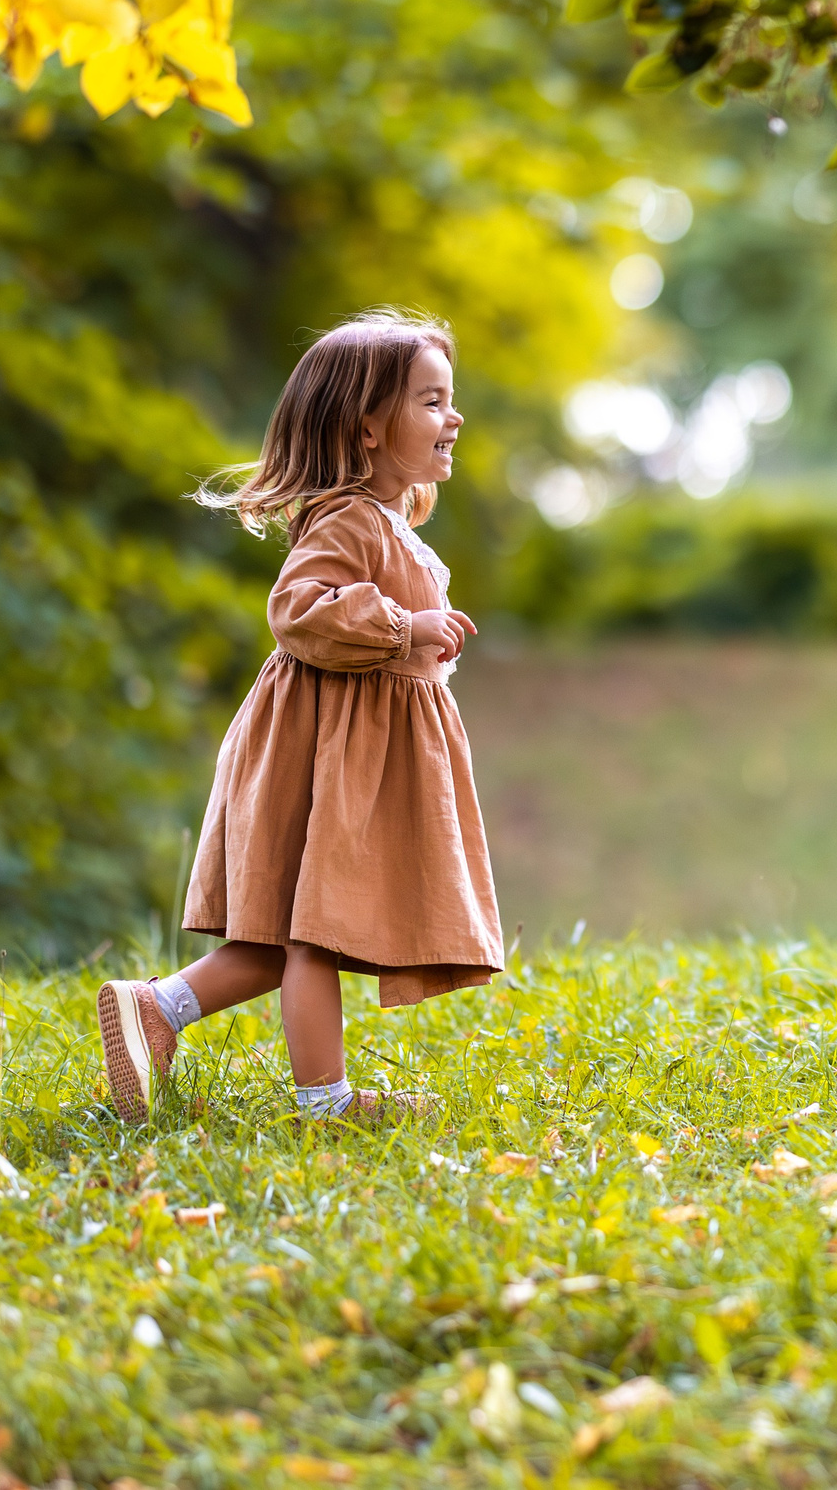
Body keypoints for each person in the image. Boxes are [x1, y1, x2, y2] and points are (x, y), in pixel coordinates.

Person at [95, 308, 504, 1123]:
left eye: (448, 399)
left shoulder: (389, 523)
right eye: (430, 400)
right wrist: (400, 629)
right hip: (326, 753)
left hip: (351, 750)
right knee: (313, 931)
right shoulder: (346, 517)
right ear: (366, 429)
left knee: (272, 941)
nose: (451, 416)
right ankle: (324, 1102)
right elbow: (298, 608)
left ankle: (157, 1009)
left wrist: (420, 644)